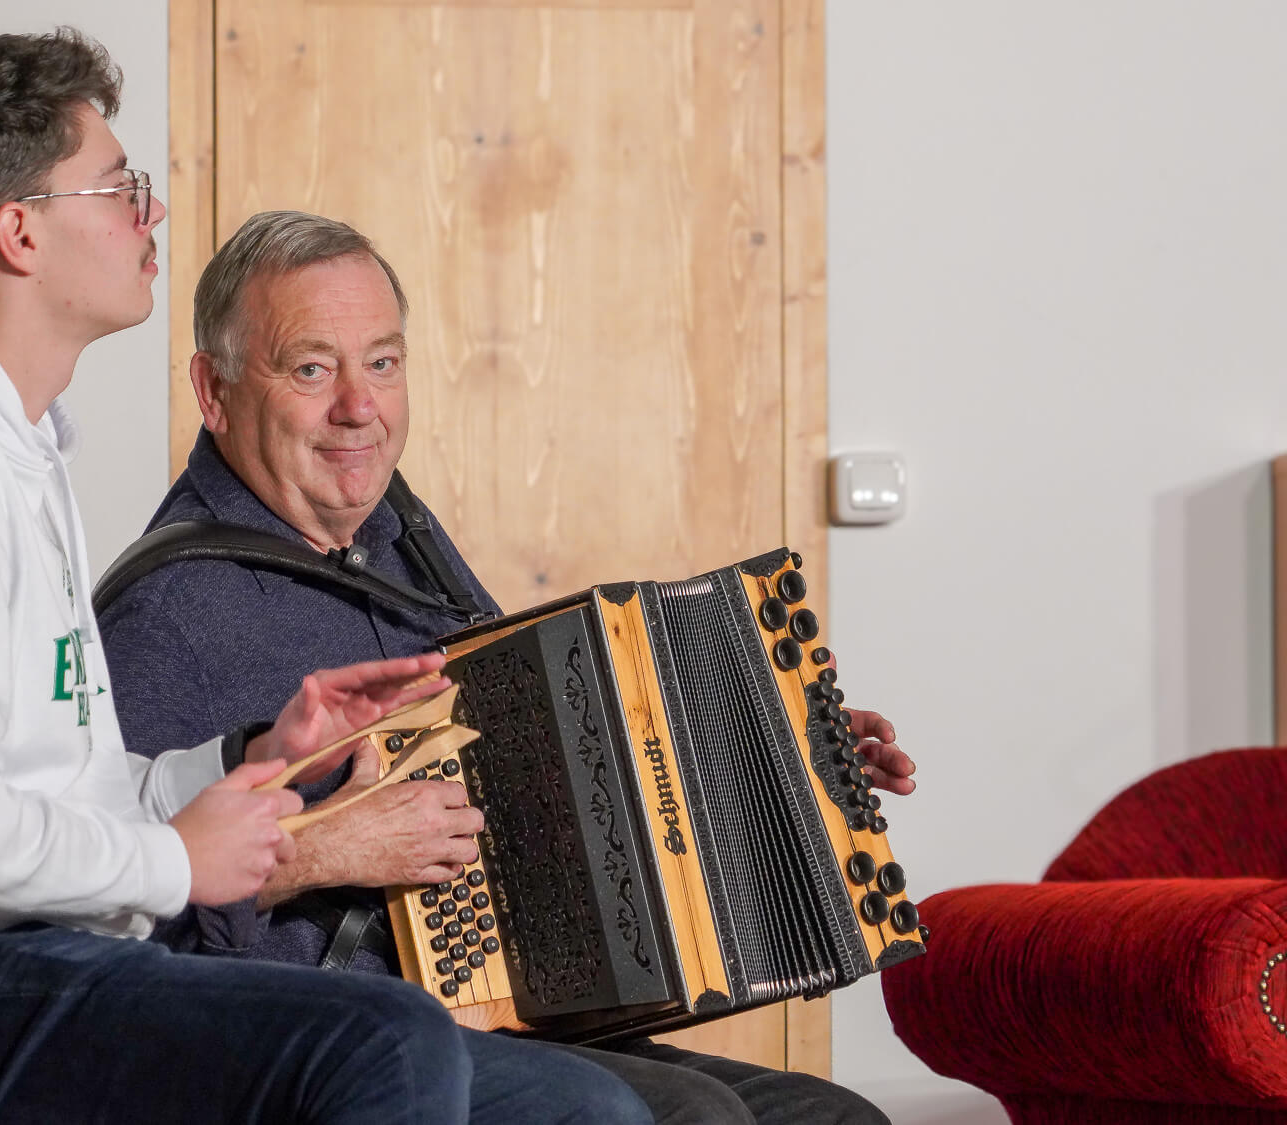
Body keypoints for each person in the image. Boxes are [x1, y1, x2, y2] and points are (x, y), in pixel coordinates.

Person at [0, 31, 655, 1125]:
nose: (149, 213)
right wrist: (170, 860)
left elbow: (42, 792)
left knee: (582, 1111)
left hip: (15, 967)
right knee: (386, 1045)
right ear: (18, 232)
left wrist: (246, 762)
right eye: (118, 188)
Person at [97, 209, 919, 1125]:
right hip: (337, 1048)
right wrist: (324, 848)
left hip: (517, 1020)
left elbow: (546, 772)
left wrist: (780, 753)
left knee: (835, 1118)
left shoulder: (400, 538)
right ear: (214, 392)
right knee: (693, 1118)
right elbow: (110, 932)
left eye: (383, 362)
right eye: (311, 369)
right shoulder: (164, 614)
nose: (360, 408)